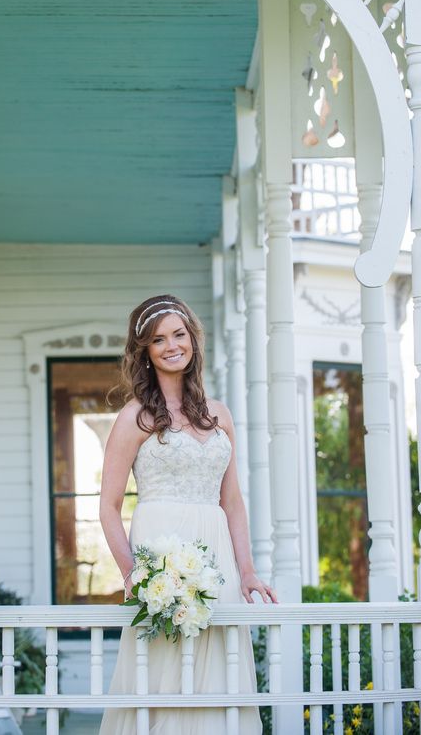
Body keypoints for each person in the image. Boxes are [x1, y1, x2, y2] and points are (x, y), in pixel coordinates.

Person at [98, 295, 276, 734]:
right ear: (144, 351)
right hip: (161, 558)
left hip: (216, 564)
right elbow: (108, 506)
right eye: (158, 339)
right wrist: (134, 574)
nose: (171, 345)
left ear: (193, 340)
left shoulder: (220, 415)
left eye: (179, 334)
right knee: (160, 675)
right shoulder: (134, 417)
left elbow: (231, 501)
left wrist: (248, 571)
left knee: (219, 675)